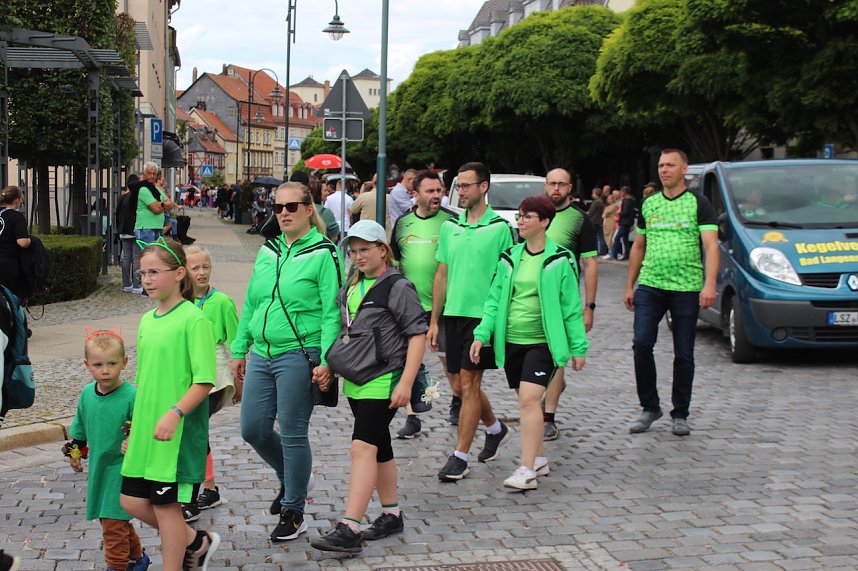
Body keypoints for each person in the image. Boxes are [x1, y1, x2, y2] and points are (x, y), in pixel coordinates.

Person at [231, 181, 343, 542]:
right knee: (253, 429)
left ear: (309, 210)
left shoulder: (325, 252)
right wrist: (240, 347)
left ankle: (294, 510)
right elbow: (253, 302)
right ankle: (294, 477)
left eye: (291, 206)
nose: (283, 213)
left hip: (300, 352)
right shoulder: (269, 250)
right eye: (278, 207)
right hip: (262, 353)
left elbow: (333, 312)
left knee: (294, 433)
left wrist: (327, 360)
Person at [310, 220, 427, 554]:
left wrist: (406, 383)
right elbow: (345, 329)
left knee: (362, 447)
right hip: (356, 379)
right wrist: (329, 364)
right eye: (354, 251)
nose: (359, 256)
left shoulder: (397, 286)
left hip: (384, 378)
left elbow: (417, 334)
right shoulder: (353, 283)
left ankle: (349, 527)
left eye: (365, 250)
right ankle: (391, 514)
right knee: (380, 444)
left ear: (382, 250)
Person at [470, 195, 588, 490]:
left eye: (527, 217)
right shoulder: (509, 257)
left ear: (545, 222)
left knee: (529, 400)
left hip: (543, 343)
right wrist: (481, 334)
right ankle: (539, 458)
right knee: (526, 402)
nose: (520, 221)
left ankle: (526, 470)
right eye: (520, 216)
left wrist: (578, 348)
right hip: (511, 342)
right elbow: (493, 300)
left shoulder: (561, 259)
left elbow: (571, 307)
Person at [120, 237, 220, 571]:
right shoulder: (147, 320)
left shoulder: (194, 320)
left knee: (166, 509)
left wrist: (175, 413)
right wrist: (134, 428)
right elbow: (146, 382)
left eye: (154, 272)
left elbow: (204, 381)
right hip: (148, 431)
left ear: (179, 273)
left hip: (176, 434)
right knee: (131, 500)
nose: (146, 279)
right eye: (143, 273)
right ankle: (195, 541)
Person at [624, 148, 719, 437]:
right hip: (651, 285)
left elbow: (711, 246)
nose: (664, 170)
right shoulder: (649, 203)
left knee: (684, 352)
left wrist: (709, 284)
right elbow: (639, 245)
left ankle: (681, 412)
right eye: (661, 165)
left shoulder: (699, 203)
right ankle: (650, 406)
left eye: (670, 165)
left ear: (684, 169)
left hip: (686, 287)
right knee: (641, 344)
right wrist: (630, 284)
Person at [430, 162, 515, 482]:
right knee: (459, 385)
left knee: (469, 384)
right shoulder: (449, 227)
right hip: (452, 315)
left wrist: (496, 322)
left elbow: (507, 277)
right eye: (458, 186)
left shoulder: (500, 229)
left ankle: (460, 456)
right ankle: (494, 428)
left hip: (482, 318)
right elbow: (441, 273)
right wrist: (434, 320)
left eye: (466, 186)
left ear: (483, 187)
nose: (460, 192)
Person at [67, 330, 150, 571]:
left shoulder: (132, 396)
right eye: (98, 365)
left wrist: (133, 439)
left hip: (123, 469)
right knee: (113, 518)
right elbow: (80, 429)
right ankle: (138, 559)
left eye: (112, 364)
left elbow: (145, 427)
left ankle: (116, 566)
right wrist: (75, 453)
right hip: (99, 469)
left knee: (113, 523)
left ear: (124, 362)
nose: (105, 370)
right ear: (87, 365)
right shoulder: (87, 395)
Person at [390, 171, 458, 438]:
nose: (436, 195)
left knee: (448, 360)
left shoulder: (452, 222)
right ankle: (412, 415)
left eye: (439, 190)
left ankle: (457, 399)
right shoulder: (403, 223)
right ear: (415, 194)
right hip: (410, 306)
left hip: (445, 306)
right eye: (430, 191)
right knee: (408, 360)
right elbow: (395, 258)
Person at [180, 246, 239, 523]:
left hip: (216, 376)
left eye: (205, 266)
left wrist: (239, 381)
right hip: (188, 375)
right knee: (196, 433)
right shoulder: (181, 302)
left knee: (194, 431)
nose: (201, 273)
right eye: (195, 268)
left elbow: (237, 342)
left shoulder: (223, 302)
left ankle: (190, 499)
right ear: (183, 272)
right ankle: (210, 489)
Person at [541, 169, 598, 441]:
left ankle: (548, 418)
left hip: (564, 301)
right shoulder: (535, 213)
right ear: (545, 185)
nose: (556, 188)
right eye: (552, 183)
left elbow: (590, 263)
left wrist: (590, 306)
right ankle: (551, 386)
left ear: (570, 188)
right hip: (532, 298)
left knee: (557, 356)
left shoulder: (579, 219)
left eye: (561, 184)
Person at [134, 163, 176, 294]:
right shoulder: (143, 189)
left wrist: (162, 204)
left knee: (156, 258)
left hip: (157, 227)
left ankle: (153, 285)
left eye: (154, 174)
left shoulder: (156, 189)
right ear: (144, 174)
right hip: (146, 227)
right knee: (148, 258)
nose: (152, 176)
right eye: (149, 173)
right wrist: (163, 204)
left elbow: (170, 204)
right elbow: (156, 209)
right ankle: (145, 287)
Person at [0, 186, 32, 301]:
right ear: (17, 200)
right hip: (8, 265)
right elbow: (22, 242)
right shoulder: (17, 217)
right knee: (11, 299)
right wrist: (31, 240)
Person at [116, 175, 140, 292]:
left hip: (123, 231)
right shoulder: (138, 198)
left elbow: (117, 214)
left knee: (126, 258)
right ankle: (137, 285)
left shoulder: (121, 198)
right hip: (134, 230)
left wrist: (119, 228)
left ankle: (126, 284)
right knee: (136, 258)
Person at [304, 173, 340, 242]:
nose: (328, 193)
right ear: (317, 193)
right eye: (325, 190)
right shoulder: (326, 213)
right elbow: (335, 236)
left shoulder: (301, 210)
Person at [605, 186, 636, 260]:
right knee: (625, 239)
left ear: (624, 192)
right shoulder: (632, 199)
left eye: (621, 192)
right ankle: (626, 255)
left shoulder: (626, 200)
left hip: (624, 222)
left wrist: (618, 213)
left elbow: (625, 212)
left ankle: (614, 254)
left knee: (617, 238)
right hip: (629, 221)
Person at [587, 187, 606, 255]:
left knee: (594, 237)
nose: (592, 195)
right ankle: (602, 251)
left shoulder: (596, 202)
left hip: (594, 221)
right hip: (600, 221)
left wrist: (586, 216)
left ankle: (596, 250)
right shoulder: (601, 201)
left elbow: (590, 212)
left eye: (593, 193)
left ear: (595, 194)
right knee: (601, 237)